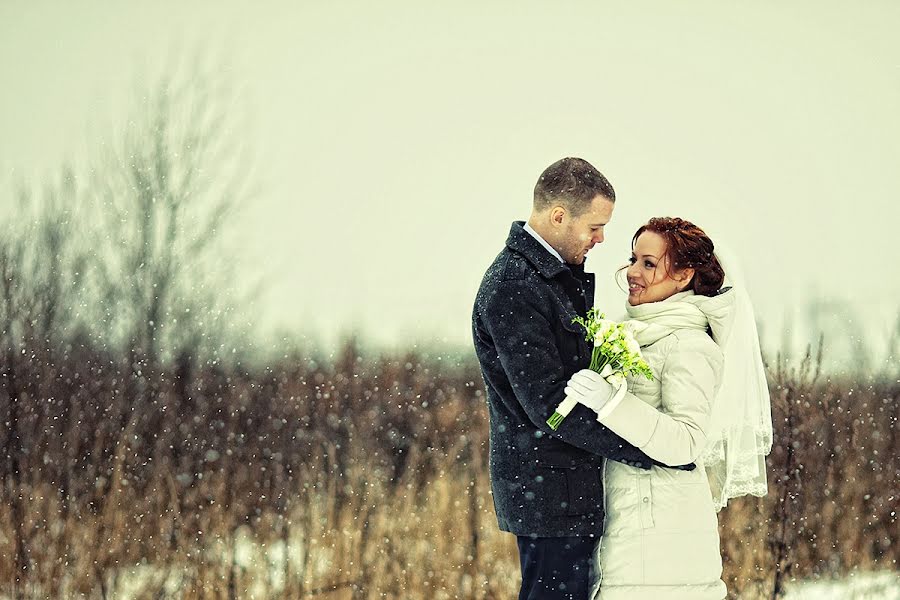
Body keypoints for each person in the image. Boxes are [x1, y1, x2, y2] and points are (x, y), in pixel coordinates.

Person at [471, 159, 693, 600]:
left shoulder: (545, 279)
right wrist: (647, 449)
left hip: (563, 490)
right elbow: (550, 404)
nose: (601, 239)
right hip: (549, 494)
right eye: (595, 226)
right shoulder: (514, 285)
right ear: (558, 216)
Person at [564, 217, 772, 599]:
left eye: (648, 263)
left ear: (683, 275)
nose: (632, 272)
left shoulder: (690, 345)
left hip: (663, 548)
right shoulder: (638, 334)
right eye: (632, 259)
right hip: (631, 533)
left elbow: (687, 442)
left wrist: (612, 402)